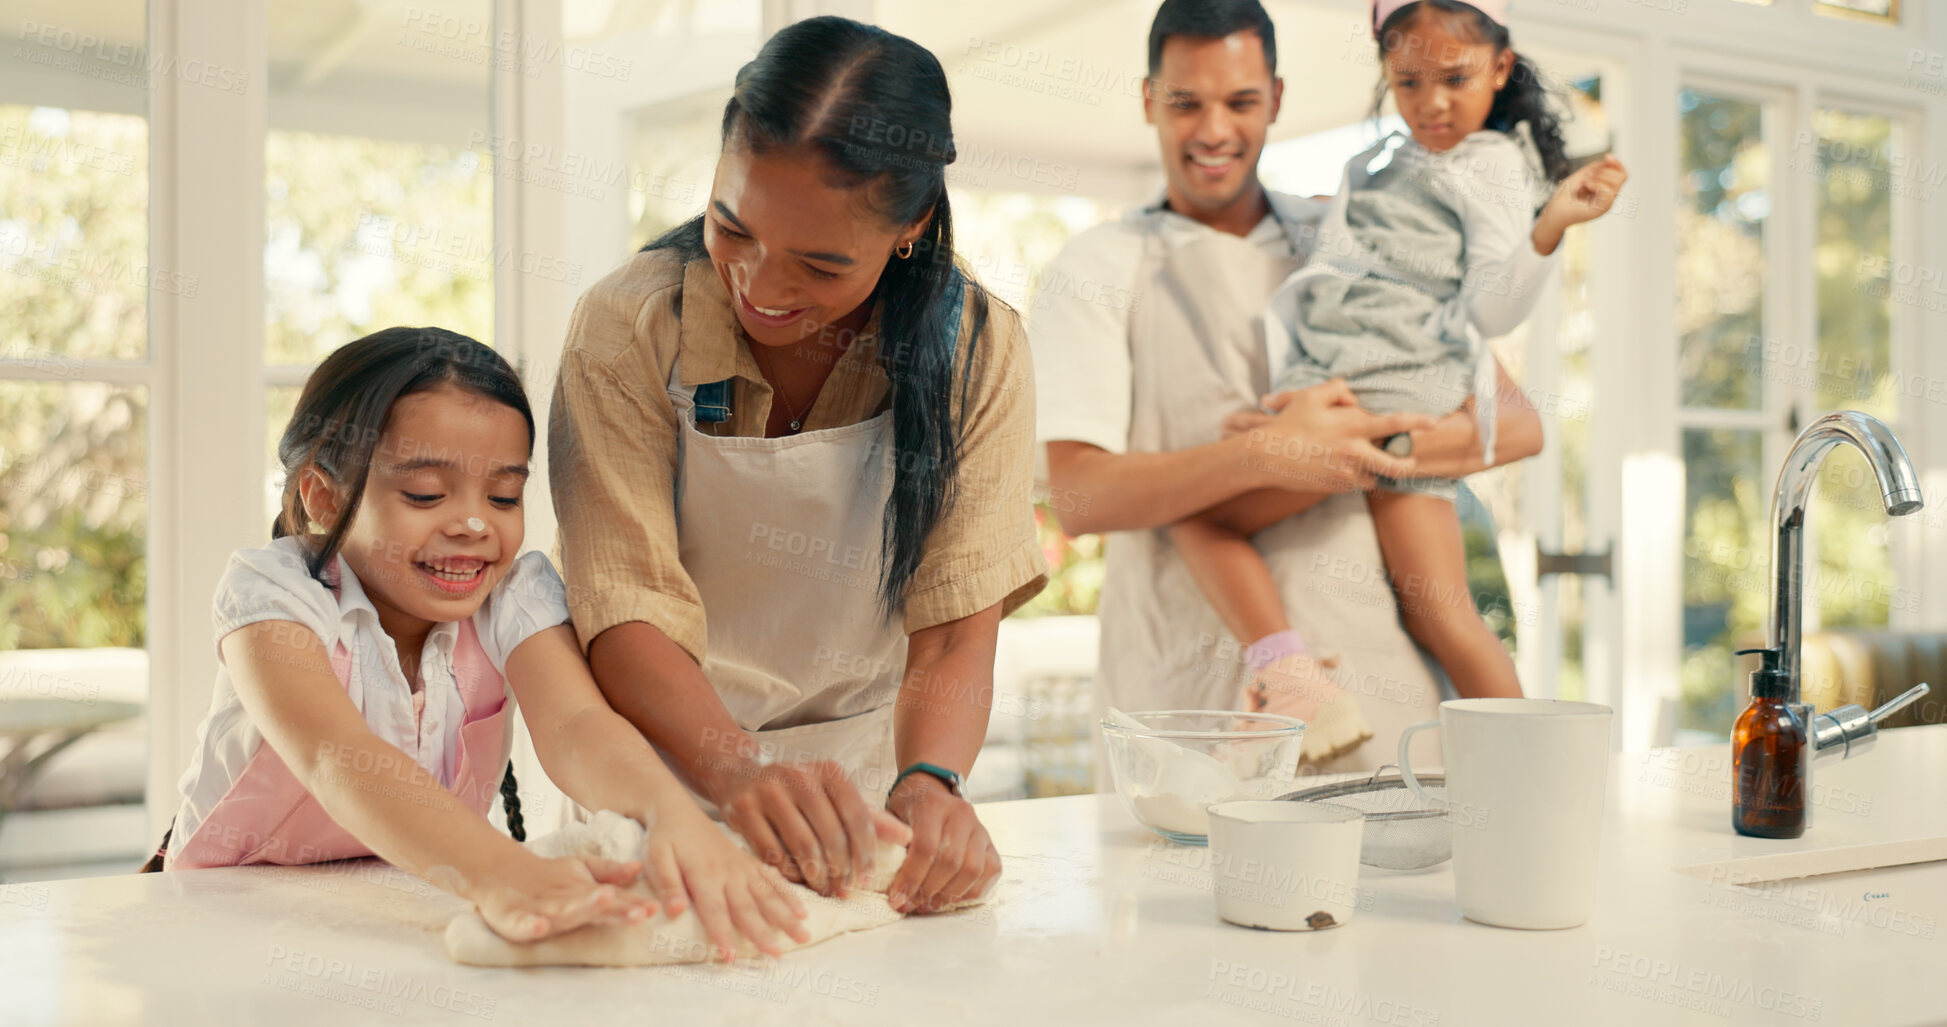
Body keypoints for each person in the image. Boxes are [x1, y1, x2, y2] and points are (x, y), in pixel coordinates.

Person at [549, 16, 1046, 916]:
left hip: (864, 798)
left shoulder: (976, 345)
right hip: (660, 780)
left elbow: (954, 622)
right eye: (730, 227)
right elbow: (623, 607)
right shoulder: (630, 325)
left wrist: (931, 781)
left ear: (911, 226)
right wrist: (739, 773)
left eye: (820, 265)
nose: (761, 289)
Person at [155, 328, 809, 962]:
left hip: (405, 903)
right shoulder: (275, 589)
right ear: (323, 497)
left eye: (503, 495)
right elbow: (336, 754)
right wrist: (503, 871)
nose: (473, 524)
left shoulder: (513, 593)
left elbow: (579, 724)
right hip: (223, 913)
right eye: (425, 493)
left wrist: (671, 813)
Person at [1029, 0, 1547, 774]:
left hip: (1381, 699)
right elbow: (1074, 497)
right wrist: (1269, 454)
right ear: (1148, 100)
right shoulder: (1097, 266)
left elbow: (1509, 420)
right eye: (1184, 102)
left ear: (1274, 97)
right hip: (1193, 708)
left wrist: (1368, 443)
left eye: (1239, 102)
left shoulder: (1348, 233)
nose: (1212, 130)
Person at [1168, 0, 1628, 713]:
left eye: (1454, 77)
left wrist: (1548, 229)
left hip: (1397, 388)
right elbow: (1344, 277)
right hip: (1342, 386)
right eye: (1407, 82)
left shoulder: (1492, 164)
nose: (1430, 103)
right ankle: (1530, 780)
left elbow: (1490, 308)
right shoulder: (1376, 163)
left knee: (1205, 518)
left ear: (1499, 67)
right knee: (1435, 613)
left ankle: (1300, 687)